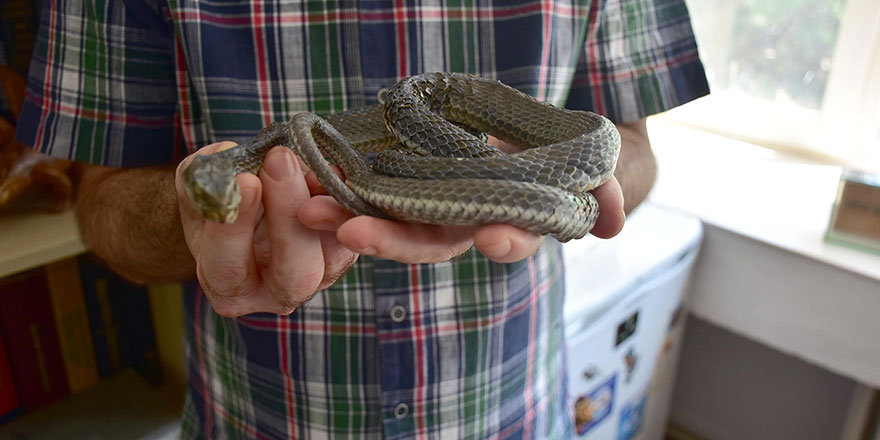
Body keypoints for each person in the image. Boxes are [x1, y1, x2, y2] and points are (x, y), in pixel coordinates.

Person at [17, 0, 709, 438]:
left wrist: (578, 185)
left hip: (516, 412)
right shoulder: (262, 167)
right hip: (255, 418)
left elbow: (630, 145)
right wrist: (195, 223)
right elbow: (98, 196)